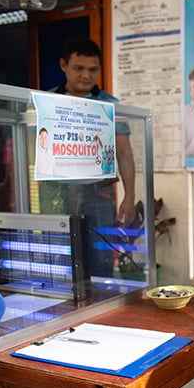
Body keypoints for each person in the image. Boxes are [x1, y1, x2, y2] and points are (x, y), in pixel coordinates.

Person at [42, 37, 136, 277]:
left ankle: (99, 310)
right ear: (64, 65)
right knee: (58, 253)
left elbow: (124, 152)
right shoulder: (47, 103)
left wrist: (130, 196)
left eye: (93, 70)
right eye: (79, 68)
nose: (86, 75)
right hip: (57, 191)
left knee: (100, 255)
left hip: (99, 192)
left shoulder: (110, 105)